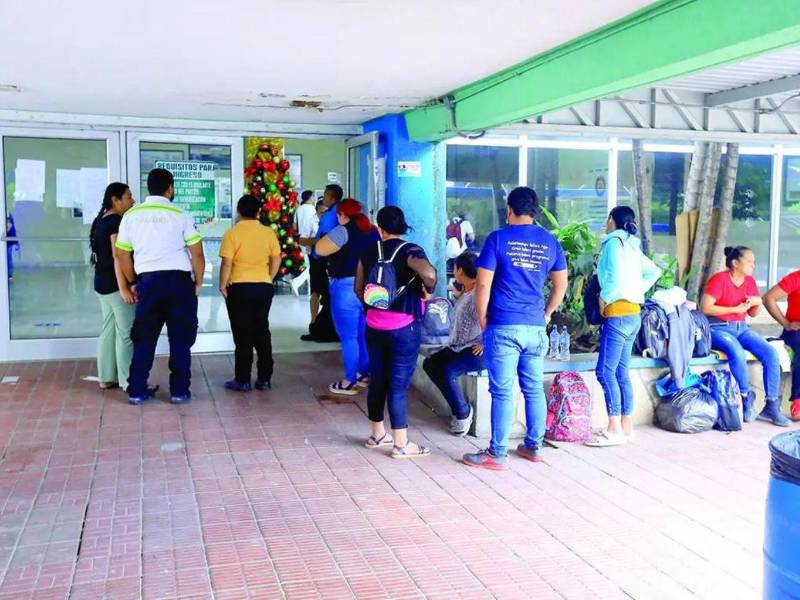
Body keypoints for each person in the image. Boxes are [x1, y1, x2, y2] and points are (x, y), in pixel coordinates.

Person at [462, 186, 568, 470]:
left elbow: (482, 284)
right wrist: (546, 313)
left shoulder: (498, 239)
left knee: (502, 391)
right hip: (534, 327)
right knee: (533, 388)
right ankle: (534, 446)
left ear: (510, 209)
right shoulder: (549, 242)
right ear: (534, 211)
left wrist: (483, 319)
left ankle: (497, 453)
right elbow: (561, 285)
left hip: (504, 325)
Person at [115, 168, 205, 406]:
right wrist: (198, 281)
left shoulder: (132, 216)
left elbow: (122, 253)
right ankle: (178, 391)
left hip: (149, 282)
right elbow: (197, 253)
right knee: (180, 338)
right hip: (179, 282)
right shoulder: (180, 214)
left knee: (144, 338)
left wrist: (134, 281)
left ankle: (136, 390)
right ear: (170, 188)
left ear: (149, 188)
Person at [356, 206, 437, 458]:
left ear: (379, 228)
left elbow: (358, 287)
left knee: (378, 379)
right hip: (403, 328)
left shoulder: (369, 251)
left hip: (373, 326)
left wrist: (373, 306)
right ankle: (401, 444)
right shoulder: (410, 250)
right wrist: (428, 289)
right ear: (403, 226)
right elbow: (429, 273)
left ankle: (377, 434)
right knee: (398, 385)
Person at [586, 207, 660, 447]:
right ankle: (626, 427)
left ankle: (613, 428)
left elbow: (613, 276)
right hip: (634, 314)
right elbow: (654, 272)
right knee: (620, 371)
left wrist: (605, 297)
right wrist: (637, 290)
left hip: (617, 314)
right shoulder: (632, 245)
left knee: (605, 372)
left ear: (610, 220)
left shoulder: (612, 243)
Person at [700, 246, 789, 426]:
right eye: (749, 261)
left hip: (742, 328)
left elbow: (754, 313)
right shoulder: (719, 279)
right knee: (737, 351)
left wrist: (757, 303)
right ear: (735, 263)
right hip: (718, 327)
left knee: (771, 353)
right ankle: (745, 396)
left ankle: (771, 405)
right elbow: (705, 307)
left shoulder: (749, 281)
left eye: (753, 262)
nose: (753, 265)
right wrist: (734, 309)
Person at [315, 199, 379, 395]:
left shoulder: (342, 231)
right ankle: (363, 374)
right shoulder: (374, 231)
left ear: (342, 215)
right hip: (368, 288)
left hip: (346, 288)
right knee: (362, 335)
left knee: (349, 337)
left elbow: (318, 250)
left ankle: (349, 381)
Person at [219, 194, 282, 392]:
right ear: (258, 212)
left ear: (238, 211)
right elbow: (277, 258)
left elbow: (227, 262)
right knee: (262, 331)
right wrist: (269, 277)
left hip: (239, 288)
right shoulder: (268, 233)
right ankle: (264, 379)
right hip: (262, 286)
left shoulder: (232, 233)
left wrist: (222, 284)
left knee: (242, 333)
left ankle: (243, 380)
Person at [422, 251, 483, 436]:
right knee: (430, 364)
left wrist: (487, 342)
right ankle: (458, 405)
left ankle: (463, 413)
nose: (453, 270)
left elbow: (496, 318)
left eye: (455, 267)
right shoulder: (468, 290)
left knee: (447, 371)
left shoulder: (481, 293)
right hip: (459, 346)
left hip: (478, 350)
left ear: (461, 270)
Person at [90, 182, 137, 391]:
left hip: (101, 283)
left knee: (108, 330)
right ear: (115, 200)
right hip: (115, 285)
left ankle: (106, 377)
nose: (132, 200)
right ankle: (128, 381)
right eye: (128, 196)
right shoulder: (116, 222)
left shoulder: (101, 220)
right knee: (126, 333)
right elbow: (118, 255)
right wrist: (126, 287)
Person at [299, 185, 344, 341]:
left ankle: (323, 329)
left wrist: (305, 241)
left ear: (331, 197)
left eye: (325, 194)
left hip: (324, 259)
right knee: (321, 293)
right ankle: (318, 326)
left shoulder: (333, 214)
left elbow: (325, 239)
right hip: (320, 257)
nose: (322, 197)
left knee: (323, 292)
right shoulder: (331, 212)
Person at [764, 271, 800, 421]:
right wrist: (786, 323)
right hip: (795, 331)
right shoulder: (796, 278)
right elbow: (768, 298)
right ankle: (798, 398)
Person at [6, 214, 18, 280]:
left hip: (8, 242)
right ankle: (9, 274)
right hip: (8, 241)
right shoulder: (8, 216)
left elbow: (9, 227)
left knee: (8, 258)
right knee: (9, 258)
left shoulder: (8, 218)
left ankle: (10, 274)